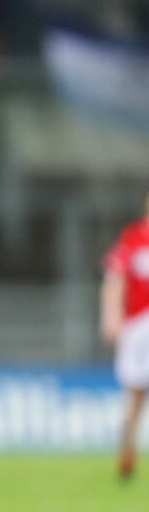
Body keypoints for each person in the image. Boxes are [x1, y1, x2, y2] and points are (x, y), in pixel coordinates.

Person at [102, 191, 149, 481]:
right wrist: (110, 316)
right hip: (139, 325)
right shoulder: (133, 239)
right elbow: (114, 278)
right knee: (135, 391)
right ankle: (127, 450)